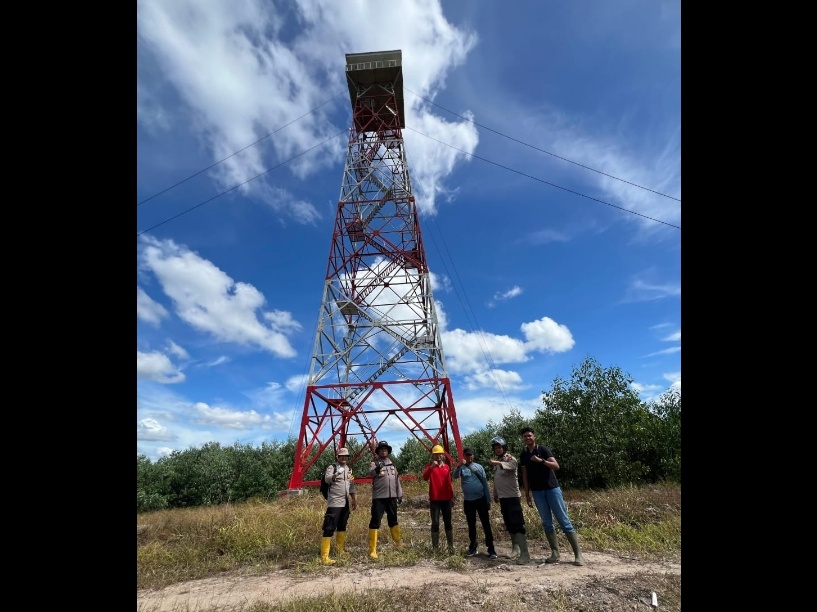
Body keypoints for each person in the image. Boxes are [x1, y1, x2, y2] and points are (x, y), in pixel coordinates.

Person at [519, 426, 584, 566]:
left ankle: (578, 554)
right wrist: (527, 494)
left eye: (529, 435)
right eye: (525, 436)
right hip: (537, 492)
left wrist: (541, 461)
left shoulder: (543, 450)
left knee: (564, 520)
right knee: (547, 523)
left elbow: (556, 466)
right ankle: (555, 553)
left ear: (534, 437)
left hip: (552, 489)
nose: (527, 438)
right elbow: (525, 475)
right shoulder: (523, 455)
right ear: (523, 439)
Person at [489, 435, 531, 564]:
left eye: (499, 447)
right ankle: (515, 549)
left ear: (504, 447)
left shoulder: (510, 459)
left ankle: (525, 554)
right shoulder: (498, 462)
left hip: (512, 497)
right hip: (503, 498)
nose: (497, 449)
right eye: (495, 448)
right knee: (509, 524)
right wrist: (495, 493)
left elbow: (512, 466)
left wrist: (497, 463)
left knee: (518, 524)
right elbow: (497, 479)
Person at [452, 447, 497, 559]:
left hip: (481, 499)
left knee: (486, 524)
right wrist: (458, 465)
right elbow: (454, 476)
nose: (469, 457)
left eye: (471, 455)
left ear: (473, 455)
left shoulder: (479, 467)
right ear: (464, 456)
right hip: (468, 501)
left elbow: (485, 483)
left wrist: (488, 500)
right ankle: (473, 548)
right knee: (471, 525)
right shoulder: (462, 468)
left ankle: (491, 549)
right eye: (467, 455)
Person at [319, 447, 357, 565]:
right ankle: (325, 556)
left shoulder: (349, 469)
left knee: (342, 525)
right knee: (329, 526)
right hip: (335, 502)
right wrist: (335, 475)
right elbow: (327, 479)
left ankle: (340, 550)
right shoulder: (332, 467)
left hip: (345, 502)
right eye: (342, 456)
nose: (344, 458)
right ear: (338, 457)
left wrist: (354, 499)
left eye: (346, 456)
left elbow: (351, 484)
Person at [367, 440, 404, 559]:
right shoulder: (374, 463)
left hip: (392, 497)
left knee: (393, 520)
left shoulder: (392, 464)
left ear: (388, 451)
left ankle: (398, 545)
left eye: (385, 449)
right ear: (378, 451)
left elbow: (397, 480)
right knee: (375, 521)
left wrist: (399, 494)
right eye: (382, 449)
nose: (384, 451)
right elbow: (371, 473)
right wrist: (377, 468)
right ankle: (372, 550)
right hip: (379, 498)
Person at [422, 444, 455, 554]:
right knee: (435, 523)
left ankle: (450, 547)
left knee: (448, 523)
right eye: (436, 454)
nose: (438, 456)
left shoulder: (447, 467)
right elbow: (425, 478)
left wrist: (452, 497)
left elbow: (449, 483)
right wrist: (431, 467)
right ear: (433, 455)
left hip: (446, 499)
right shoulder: (429, 466)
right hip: (435, 499)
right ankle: (435, 549)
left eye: (440, 454)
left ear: (443, 455)